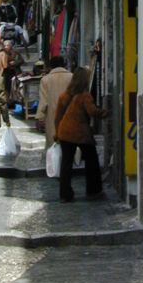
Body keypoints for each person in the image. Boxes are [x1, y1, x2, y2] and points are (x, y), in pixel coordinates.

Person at [54, 66, 107, 202]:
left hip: (65, 132)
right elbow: (92, 111)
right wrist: (104, 113)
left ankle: (64, 195)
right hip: (80, 133)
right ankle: (93, 190)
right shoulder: (84, 95)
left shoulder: (64, 95)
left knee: (66, 164)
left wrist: (57, 133)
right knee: (92, 161)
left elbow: (57, 117)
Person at [36, 56, 72, 149]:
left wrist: (40, 117)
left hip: (53, 115)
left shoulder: (46, 80)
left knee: (54, 143)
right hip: (70, 113)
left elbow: (43, 101)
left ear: (51, 66)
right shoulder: (72, 77)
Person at [0, 39, 24, 104]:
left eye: (7, 45)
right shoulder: (1, 53)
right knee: (6, 87)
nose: (6, 47)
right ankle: (7, 101)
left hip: (14, 71)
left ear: (10, 46)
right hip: (5, 72)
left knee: (15, 86)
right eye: (5, 46)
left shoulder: (16, 52)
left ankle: (15, 100)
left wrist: (15, 62)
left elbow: (22, 60)